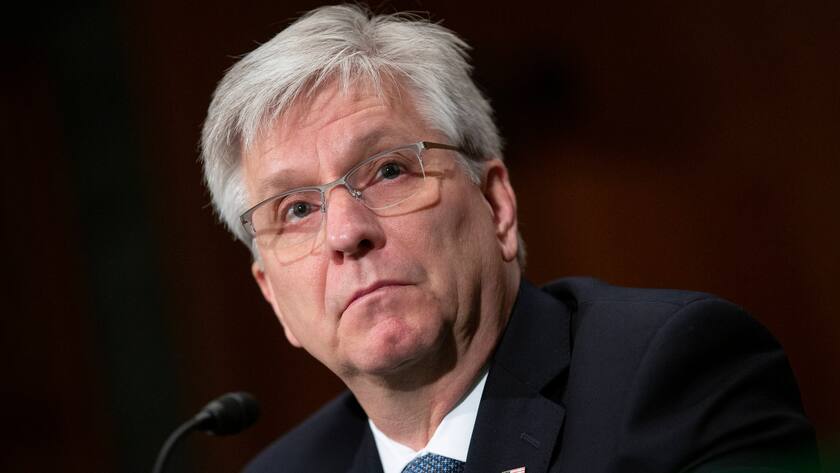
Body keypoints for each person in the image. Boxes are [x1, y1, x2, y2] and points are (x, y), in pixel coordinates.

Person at [199, 4, 818, 472]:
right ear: (273, 296)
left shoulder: (672, 372)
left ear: (496, 204)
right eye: (297, 208)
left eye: (389, 170)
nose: (346, 233)